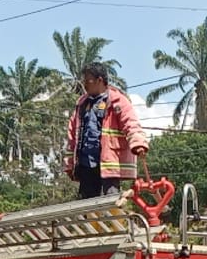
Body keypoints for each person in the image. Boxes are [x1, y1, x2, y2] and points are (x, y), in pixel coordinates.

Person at [64, 62, 149, 199]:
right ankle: (90, 221)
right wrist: (70, 164)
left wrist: (138, 143)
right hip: (86, 163)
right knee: (87, 205)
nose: (85, 84)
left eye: (88, 81)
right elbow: (72, 135)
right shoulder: (81, 104)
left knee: (112, 200)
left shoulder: (118, 101)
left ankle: (114, 221)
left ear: (100, 80)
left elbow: (131, 123)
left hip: (109, 162)